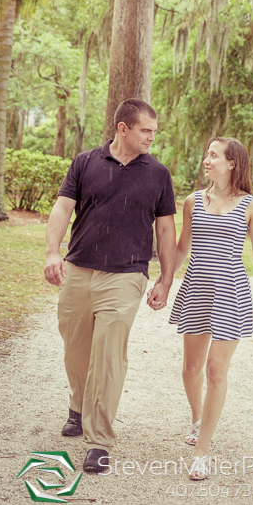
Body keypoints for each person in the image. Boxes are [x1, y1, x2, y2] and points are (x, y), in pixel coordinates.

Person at [44, 99, 176, 473]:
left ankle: (99, 440)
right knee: (76, 347)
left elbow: (166, 229)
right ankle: (78, 404)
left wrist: (166, 280)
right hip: (79, 270)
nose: (152, 136)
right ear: (123, 128)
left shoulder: (158, 174)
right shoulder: (85, 163)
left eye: (154, 130)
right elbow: (62, 208)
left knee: (109, 354)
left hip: (127, 274)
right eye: (145, 130)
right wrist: (53, 253)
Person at [168, 136, 253, 480]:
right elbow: (182, 248)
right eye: (207, 154)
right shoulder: (192, 201)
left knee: (215, 370)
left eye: (214, 155)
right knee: (190, 368)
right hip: (197, 288)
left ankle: (201, 453)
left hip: (231, 292)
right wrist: (163, 281)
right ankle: (198, 420)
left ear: (232, 164)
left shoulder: (251, 205)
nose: (206, 160)